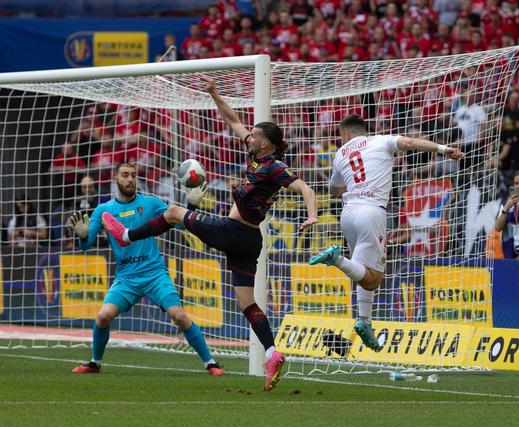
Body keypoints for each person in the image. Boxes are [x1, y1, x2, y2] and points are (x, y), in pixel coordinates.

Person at [102, 75, 318, 391]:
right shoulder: (256, 156)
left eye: (256, 134)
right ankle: (272, 353)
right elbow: (233, 121)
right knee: (247, 302)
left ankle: (127, 236)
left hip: (234, 232)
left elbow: (304, 187)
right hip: (248, 240)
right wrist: (216, 93)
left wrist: (312, 215)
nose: (250, 136)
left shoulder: (274, 166)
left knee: (174, 212)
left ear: (267, 143)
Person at [308, 114, 463, 351]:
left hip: (348, 214)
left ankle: (364, 320)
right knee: (374, 279)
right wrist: (443, 148)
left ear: (347, 134)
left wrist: (351, 184)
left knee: (363, 272)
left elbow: (335, 190)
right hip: (372, 212)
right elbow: (411, 143)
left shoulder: (340, 154)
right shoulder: (381, 141)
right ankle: (336, 259)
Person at [68, 163, 224, 377]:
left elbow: (179, 223)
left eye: (133, 175)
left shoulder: (150, 203)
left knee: (179, 316)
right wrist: (83, 235)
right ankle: (95, 363)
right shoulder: (103, 210)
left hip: (154, 274)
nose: (130, 179)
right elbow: (85, 245)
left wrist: (191, 206)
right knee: (103, 316)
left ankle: (211, 363)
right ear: (115, 179)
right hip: (126, 277)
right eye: (125, 175)